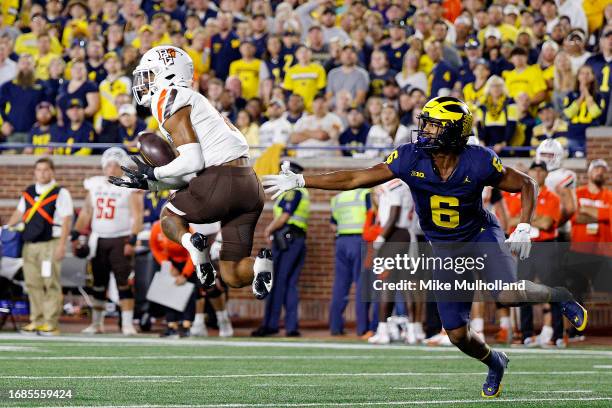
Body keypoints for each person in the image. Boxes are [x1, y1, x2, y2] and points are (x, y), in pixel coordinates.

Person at [263, 95, 588, 398]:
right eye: (426, 122)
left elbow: (527, 183)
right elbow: (356, 178)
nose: (426, 129)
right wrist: (304, 180)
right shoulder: (409, 157)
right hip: (444, 249)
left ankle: (559, 295)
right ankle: (494, 361)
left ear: (454, 131)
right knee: (457, 334)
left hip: (479, 236)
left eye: (434, 124)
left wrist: (524, 225)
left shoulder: (478, 160)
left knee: (505, 294)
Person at [110, 46, 273, 301]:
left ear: (167, 74)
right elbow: (190, 173)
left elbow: (192, 160)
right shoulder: (197, 102)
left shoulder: (169, 95)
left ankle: (194, 247)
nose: (144, 82)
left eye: (150, 74)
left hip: (221, 181)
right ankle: (258, 266)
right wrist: (153, 183)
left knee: (167, 216)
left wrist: (155, 172)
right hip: (250, 186)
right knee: (231, 274)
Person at [73, 148, 143, 336]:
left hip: (120, 239)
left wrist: (133, 239)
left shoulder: (129, 185)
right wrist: (76, 234)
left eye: (115, 165)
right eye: (108, 165)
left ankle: (127, 324)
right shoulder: (94, 185)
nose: (111, 168)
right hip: (98, 239)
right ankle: (97, 323)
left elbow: (137, 217)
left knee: (124, 283)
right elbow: (87, 212)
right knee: (98, 283)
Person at [6, 158, 73, 336]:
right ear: (34, 172)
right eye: (39, 170)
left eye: (45, 170)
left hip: (50, 244)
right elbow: (19, 213)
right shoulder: (28, 192)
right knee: (32, 283)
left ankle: (50, 322)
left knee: (50, 282)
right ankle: (36, 320)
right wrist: (5, 228)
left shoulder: (60, 193)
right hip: (30, 245)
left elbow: (66, 220)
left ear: (52, 172)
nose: (42, 173)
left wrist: (61, 246)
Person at [505, 161, 562, 346]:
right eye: (534, 169)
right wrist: (535, 218)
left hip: (545, 245)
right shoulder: (517, 195)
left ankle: (557, 334)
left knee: (552, 289)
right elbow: (510, 221)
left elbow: (547, 223)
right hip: (525, 247)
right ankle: (526, 334)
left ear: (546, 174)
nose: (537, 173)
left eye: (541, 170)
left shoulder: (552, 197)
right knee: (523, 290)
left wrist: (526, 219)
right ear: (529, 172)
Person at [253, 162, 310, 337]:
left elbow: (285, 216)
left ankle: (271, 324)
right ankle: (291, 327)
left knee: (276, 282)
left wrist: (269, 229)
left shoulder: (293, 191)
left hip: (287, 241)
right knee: (290, 284)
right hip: (296, 240)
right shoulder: (302, 192)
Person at [328, 188, 372, 336]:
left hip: (341, 241)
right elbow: (373, 216)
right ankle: (362, 329)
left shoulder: (338, 198)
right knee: (362, 285)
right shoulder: (365, 194)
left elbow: (333, 224)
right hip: (360, 241)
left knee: (340, 285)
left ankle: (335, 327)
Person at [0, 53, 48, 143]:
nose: (25, 66)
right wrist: (4, 123)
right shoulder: (7, 86)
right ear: (17, 65)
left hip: (35, 134)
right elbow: (0, 107)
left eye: (28, 63)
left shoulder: (42, 85)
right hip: (12, 133)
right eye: (23, 63)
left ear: (34, 65)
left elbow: (46, 107)